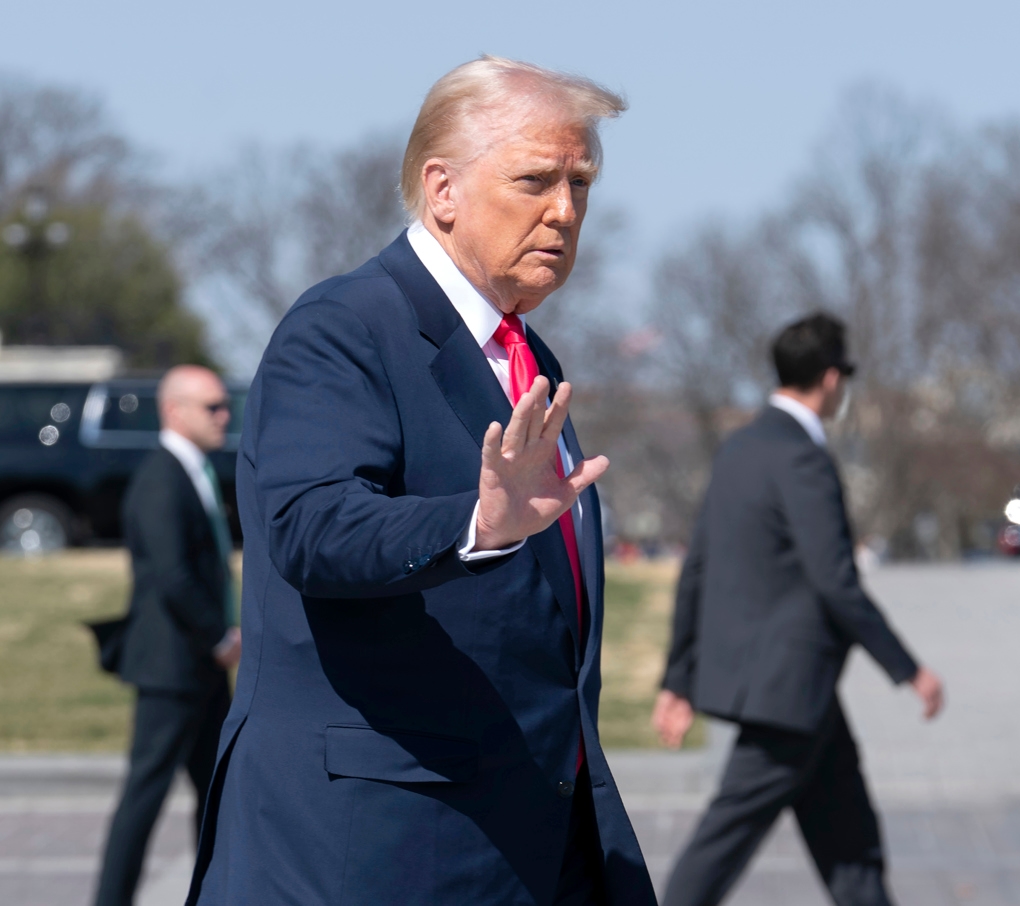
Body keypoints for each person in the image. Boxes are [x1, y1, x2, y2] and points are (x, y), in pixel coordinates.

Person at [185, 57, 655, 906]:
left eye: (580, 183)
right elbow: (311, 527)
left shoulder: (525, 356)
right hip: (375, 851)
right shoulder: (343, 328)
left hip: (523, 842)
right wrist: (476, 523)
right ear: (442, 190)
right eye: (535, 180)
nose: (565, 210)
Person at [652, 313, 944, 906]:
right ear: (832, 379)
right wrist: (908, 669)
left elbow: (697, 569)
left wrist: (678, 678)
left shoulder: (740, 447)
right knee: (722, 843)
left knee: (850, 846)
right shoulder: (802, 457)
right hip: (787, 689)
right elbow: (836, 580)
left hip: (795, 692)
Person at [94, 365, 242, 906]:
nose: (225, 415)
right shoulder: (160, 478)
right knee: (144, 796)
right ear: (174, 411)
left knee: (216, 796)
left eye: (225, 405)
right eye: (212, 407)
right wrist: (220, 637)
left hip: (199, 668)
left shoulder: (195, 472)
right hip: (171, 667)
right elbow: (171, 574)